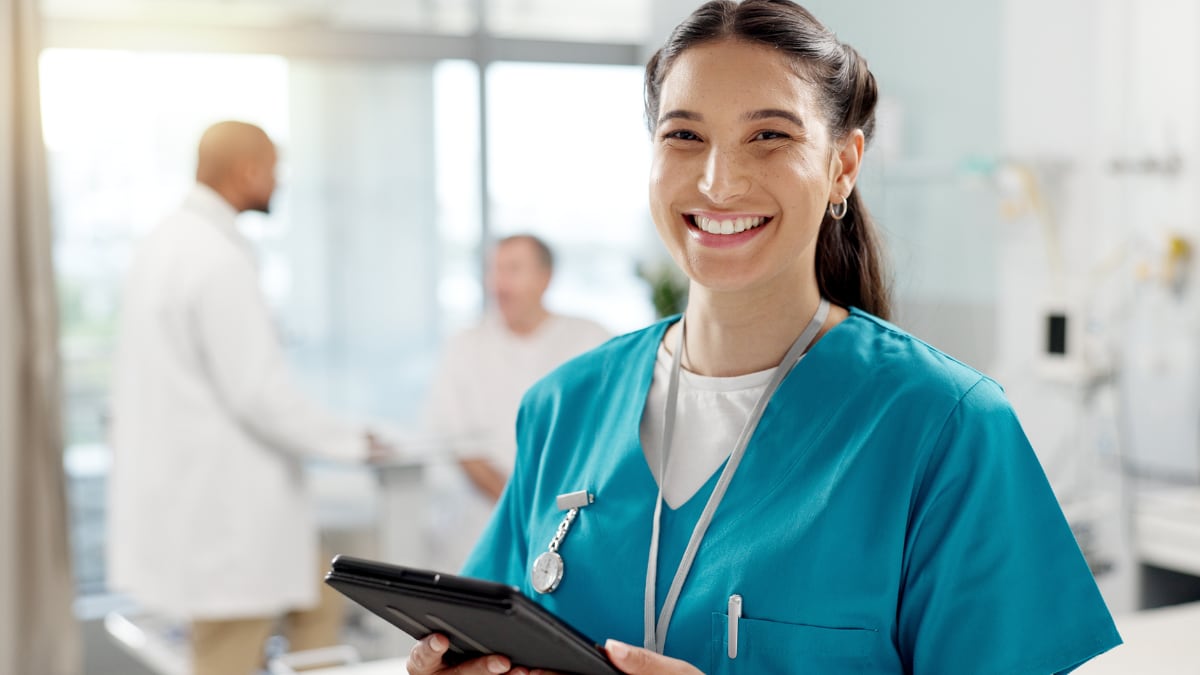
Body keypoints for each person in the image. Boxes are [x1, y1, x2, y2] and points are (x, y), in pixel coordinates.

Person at [406, 1, 1122, 673]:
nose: (718, 182)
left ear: (842, 164)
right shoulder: (565, 406)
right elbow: (488, 633)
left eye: (770, 135)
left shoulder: (944, 427)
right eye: (684, 135)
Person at [108, 120, 388, 675]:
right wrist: (351, 442)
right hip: (224, 518)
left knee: (322, 593)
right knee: (229, 651)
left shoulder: (166, 243)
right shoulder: (216, 258)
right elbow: (259, 392)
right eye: (275, 171)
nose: (278, 184)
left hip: (197, 500)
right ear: (248, 171)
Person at [422, 234, 610, 570]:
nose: (499, 283)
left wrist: (552, 510)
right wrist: (522, 508)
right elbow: (461, 445)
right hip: (479, 527)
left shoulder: (592, 341)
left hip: (571, 523)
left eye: (513, 270)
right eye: (494, 270)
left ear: (545, 278)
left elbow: (608, 434)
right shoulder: (465, 347)